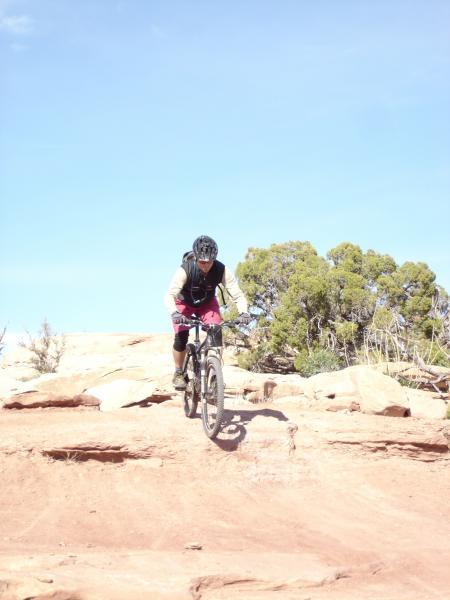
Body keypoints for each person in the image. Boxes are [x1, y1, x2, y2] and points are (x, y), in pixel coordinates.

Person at [164, 235, 251, 390]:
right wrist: (175, 313)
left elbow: (237, 294)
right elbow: (169, 295)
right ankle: (179, 372)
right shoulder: (185, 269)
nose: (205, 265)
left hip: (207, 304)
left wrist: (244, 312)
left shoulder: (221, 270)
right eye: (202, 262)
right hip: (184, 303)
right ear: (196, 258)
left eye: (209, 262)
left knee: (215, 332)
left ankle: (215, 376)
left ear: (214, 259)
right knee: (181, 337)